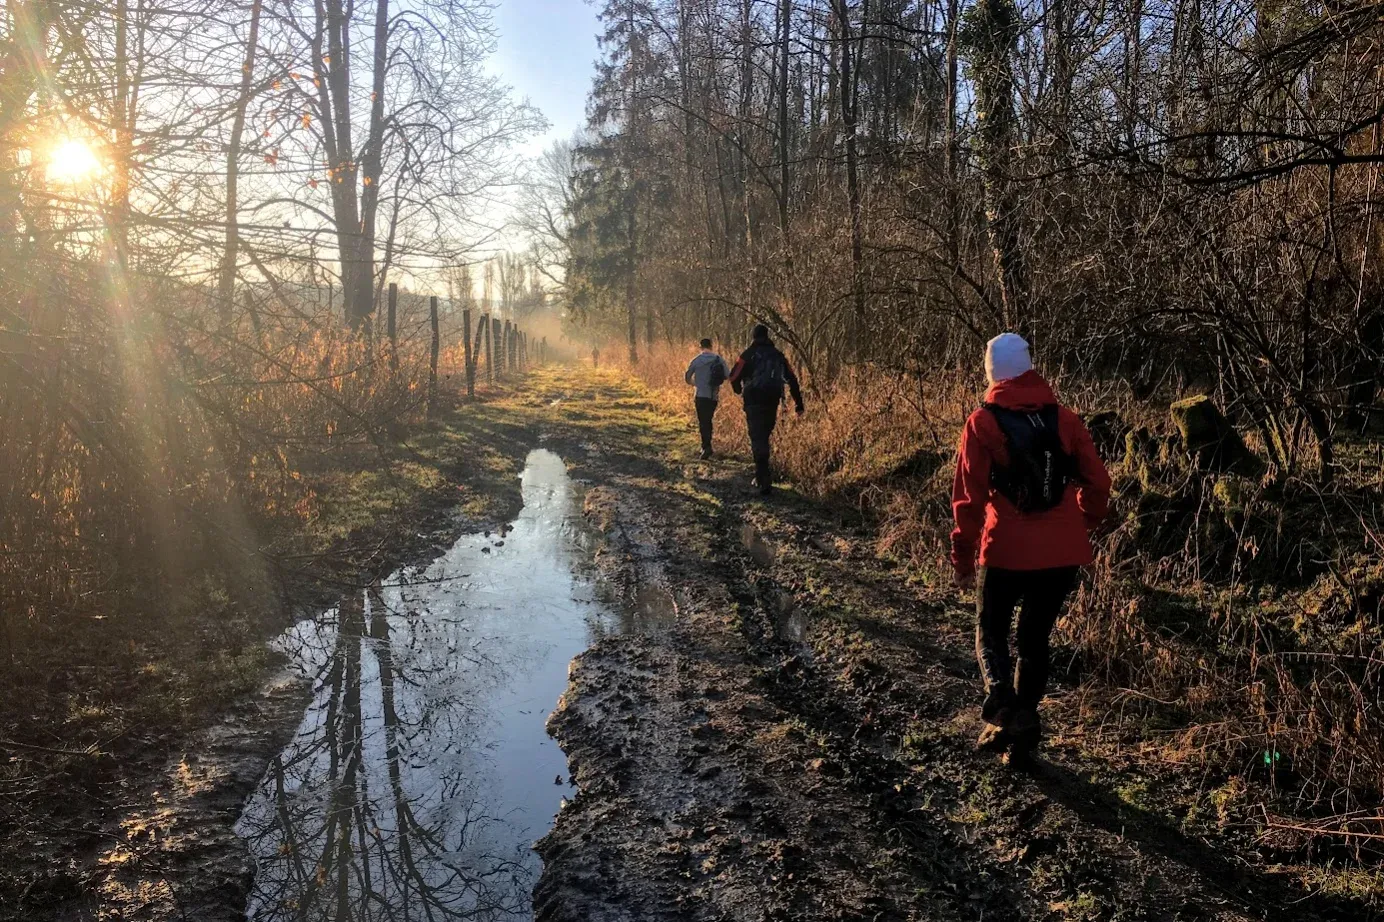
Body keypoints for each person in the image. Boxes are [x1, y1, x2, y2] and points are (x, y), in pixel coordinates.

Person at [950, 332, 1111, 760]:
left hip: (1005, 548)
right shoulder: (1065, 419)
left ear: (992, 373)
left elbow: (969, 499)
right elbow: (1098, 483)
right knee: (1035, 638)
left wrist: (962, 556)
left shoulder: (982, 423)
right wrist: (1083, 522)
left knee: (991, 630)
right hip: (1063, 552)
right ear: (1028, 367)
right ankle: (1023, 732)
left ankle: (1002, 703)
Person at [728, 324, 803, 495]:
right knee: (764, 437)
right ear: (767, 336)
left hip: (753, 400)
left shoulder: (747, 354)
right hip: (772, 401)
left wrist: (739, 390)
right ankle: (761, 475)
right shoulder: (778, 356)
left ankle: (763, 478)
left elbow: (733, 377)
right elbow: (792, 379)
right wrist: (799, 404)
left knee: (757, 438)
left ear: (753, 337)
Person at [685, 338, 731, 460]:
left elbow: (687, 377)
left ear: (700, 347)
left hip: (700, 395)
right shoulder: (719, 359)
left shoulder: (696, 360)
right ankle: (707, 445)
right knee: (708, 419)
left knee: (703, 421)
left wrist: (695, 383)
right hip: (713, 395)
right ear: (711, 346)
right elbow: (728, 375)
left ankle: (706, 447)